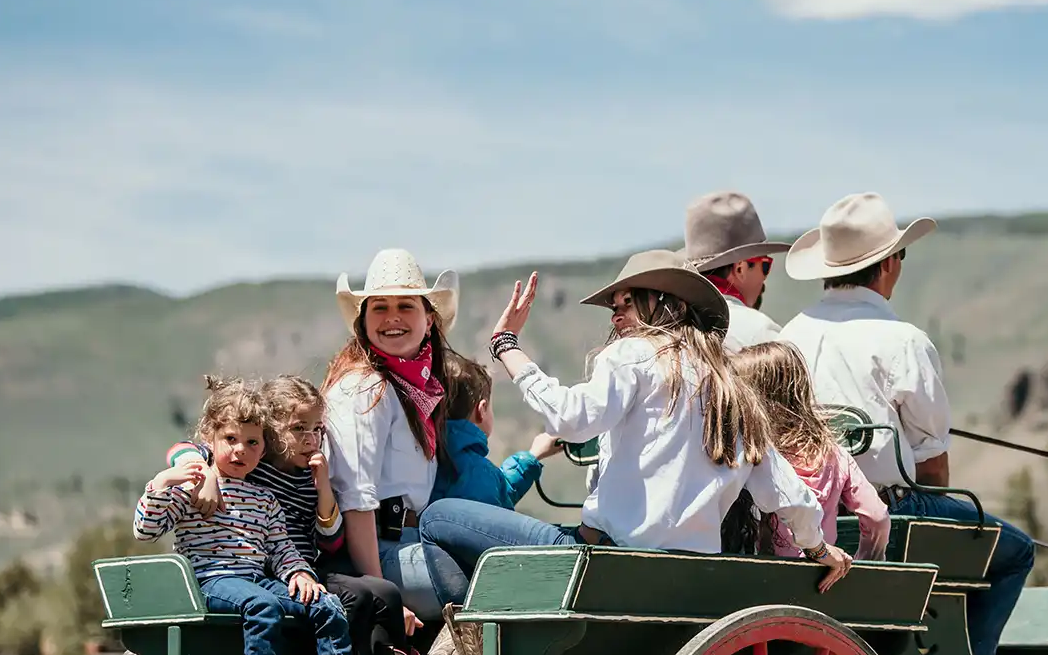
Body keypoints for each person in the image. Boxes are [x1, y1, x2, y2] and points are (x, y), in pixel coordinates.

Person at [420, 250, 856, 587]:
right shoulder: (733, 391)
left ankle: (462, 652)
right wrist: (818, 549)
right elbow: (784, 490)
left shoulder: (633, 355)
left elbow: (570, 418)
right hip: (687, 576)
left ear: (668, 305)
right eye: (615, 304)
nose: (616, 314)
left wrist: (506, 346)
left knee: (439, 518)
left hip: (605, 564)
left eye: (628, 302)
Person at [782, 192, 1035, 655]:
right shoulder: (903, 341)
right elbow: (933, 467)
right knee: (1017, 551)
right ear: (889, 264)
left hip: (801, 515)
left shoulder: (789, 334)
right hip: (888, 510)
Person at [165, 375, 442, 655]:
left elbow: (328, 542)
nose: (311, 438)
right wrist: (205, 476)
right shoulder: (250, 463)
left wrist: (323, 487)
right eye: (299, 429)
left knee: (384, 593)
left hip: (300, 566)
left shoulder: (306, 476)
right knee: (354, 597)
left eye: (317, 429)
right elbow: (183, 448)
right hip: (260, 571)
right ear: (272, 432)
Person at [322, 249, 471, 624]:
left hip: (409, 543)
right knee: (493, 577)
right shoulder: (363, 388)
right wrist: (380, 595)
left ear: (429, 320)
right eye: (379, 307)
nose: (392, 318)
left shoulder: (413, 394)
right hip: (380, 555)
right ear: (363, 321)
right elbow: (357, 499)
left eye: (406, 306)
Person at [734, 341, 890, 562]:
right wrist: (867, 558)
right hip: (819, 570)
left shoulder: (753, 452)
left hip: (760, 572)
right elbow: (877, 517)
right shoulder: (835, 454)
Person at [431, 358, 562, 510]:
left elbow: (498, 492)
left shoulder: (420, 459)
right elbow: (497, 516)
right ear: (482, 410)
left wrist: (532, 456)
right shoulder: (479, 474)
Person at [681, 191, 789, 352]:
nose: (764, 278)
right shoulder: (760, 332)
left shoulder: (672, 327)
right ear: (741, 269)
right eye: (765, 266)